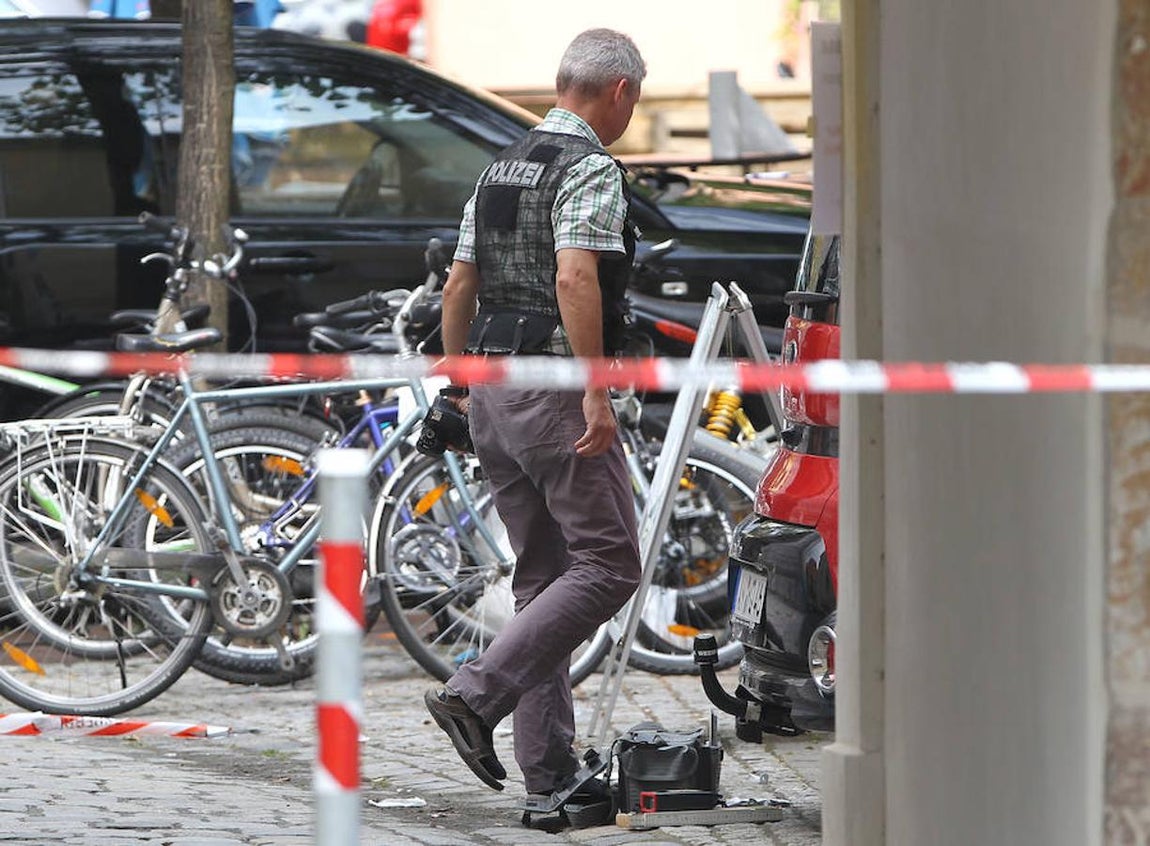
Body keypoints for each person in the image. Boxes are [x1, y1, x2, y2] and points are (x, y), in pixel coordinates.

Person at [424, 28, 646, 803]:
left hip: (489, 387)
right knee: (612, 564)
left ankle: (550, 779)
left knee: (544, 577)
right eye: (634, 101)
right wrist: (594, 389)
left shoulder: (495, 171)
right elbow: (577, 278)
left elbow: (458, 286)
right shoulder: (589, 169)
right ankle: (474, 694)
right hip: (553, 390)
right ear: (620, 92)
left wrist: (456, 387)